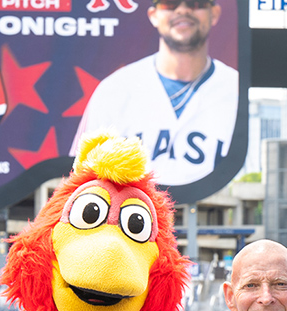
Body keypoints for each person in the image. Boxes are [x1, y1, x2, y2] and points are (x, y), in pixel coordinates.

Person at [70, 0, 238, 187]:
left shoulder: (236, 89)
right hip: (131, 212)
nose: (182, 10)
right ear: (154, 15)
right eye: (170, 3)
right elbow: (82, 174)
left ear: (213, 13)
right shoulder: (114, 88)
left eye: (194, 3)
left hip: (211, 212)